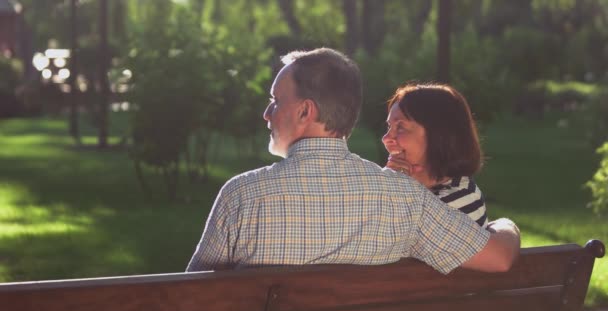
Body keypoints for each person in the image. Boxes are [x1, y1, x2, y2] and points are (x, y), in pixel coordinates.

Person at [186, 48, 520, 274]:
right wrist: (508, 226)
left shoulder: (242, 196)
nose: (266, 113)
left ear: (305, 111)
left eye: (275, 101)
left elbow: (189, 298)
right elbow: (500, 257)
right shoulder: (405, 198)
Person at [383, 83, 488, 228]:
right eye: (389, 127)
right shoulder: (427, 193)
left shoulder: (453, 203)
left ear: (438, 136)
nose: (386, 138)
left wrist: (392, 188)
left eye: (400, 127)